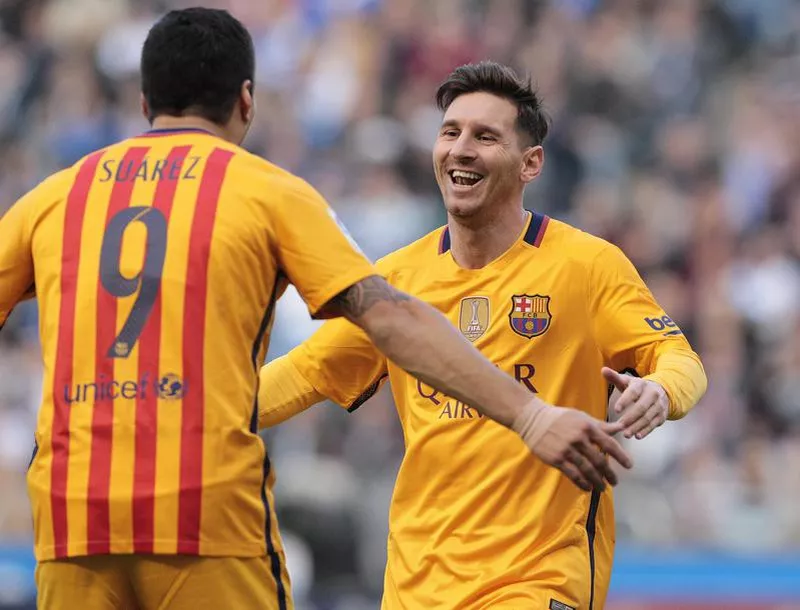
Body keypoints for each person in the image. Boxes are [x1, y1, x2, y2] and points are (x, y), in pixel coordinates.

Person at [0, 10, 633, 610]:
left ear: (145, 103)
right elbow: (386, 318)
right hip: (204, 516)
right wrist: (527, 416)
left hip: (70, 521)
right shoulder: (266, 192)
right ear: (246, 100)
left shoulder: (53, 198)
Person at [257, 61, 708, 610]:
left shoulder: (586, 266)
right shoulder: (399, 279)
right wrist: (194, 412)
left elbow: (678, 357)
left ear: (531, 163)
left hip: (536, 580)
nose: (461, 149)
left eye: (485, 136)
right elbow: (306, 372)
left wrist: (660, 390)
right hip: (416, 585)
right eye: (450, 133)